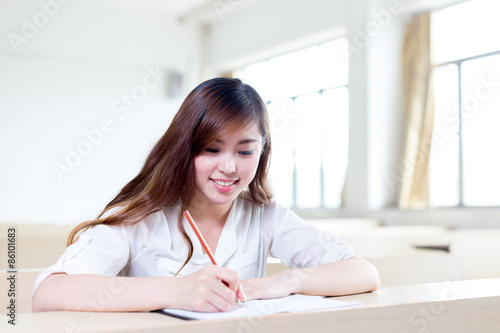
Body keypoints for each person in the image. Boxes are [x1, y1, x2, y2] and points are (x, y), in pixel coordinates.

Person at [32, 77, 380, 313]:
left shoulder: (265, 215)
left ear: (262, 152)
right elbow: (47, 294)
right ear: (185, 148)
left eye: (245, 152)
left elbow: (363, 273)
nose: (229, 167)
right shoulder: (143, 215)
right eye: (211, 150)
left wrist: (287, 281)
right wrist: (178, 292)